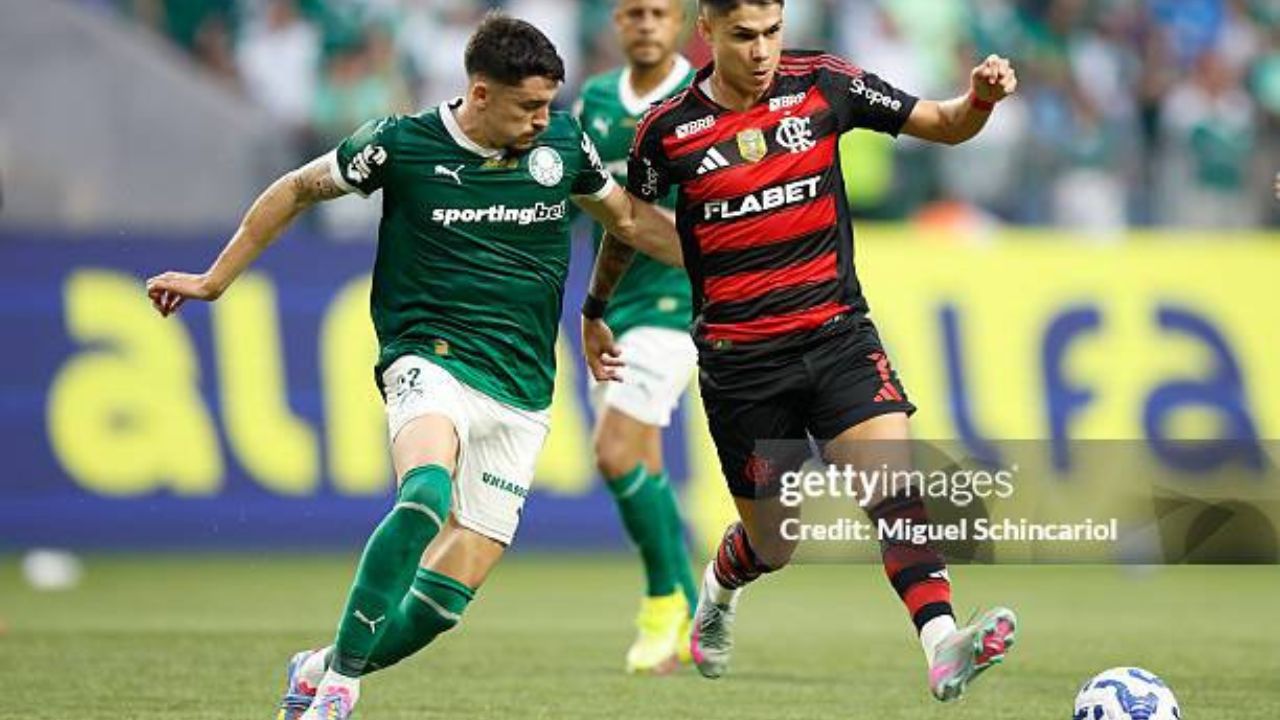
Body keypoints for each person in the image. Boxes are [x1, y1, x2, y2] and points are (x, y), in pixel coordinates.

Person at [146, 14, 679, 720]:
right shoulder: (399, 144)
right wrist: (215, 279)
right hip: (429, 357)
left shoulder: (563, 143)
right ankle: (339, 693)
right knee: (425, 494)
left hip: (523, 389)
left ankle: (322, 665)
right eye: (529, 106)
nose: (542, 120)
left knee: (441, 609)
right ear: (480, 94)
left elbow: (632, 222)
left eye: (549, 105)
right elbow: (297, 189)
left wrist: (727, 256)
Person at [581, 0, 1019, 702]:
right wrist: (596, 310)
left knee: (892, 491)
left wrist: (981, 99)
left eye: (772, 33)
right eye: (744, 36)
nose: (762, 51)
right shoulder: (667, 131)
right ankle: (720, 589)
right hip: (742, 365)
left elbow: (943, 124)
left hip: (838, 337)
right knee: (774, 545)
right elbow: (629, 225)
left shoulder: (824, 83)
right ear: (708, 32)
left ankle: (942, 643)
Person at [574, 0, 700, 675]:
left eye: (659, 12)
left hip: (679, 305)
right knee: (642, 462)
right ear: (616, 25)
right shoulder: (594, 100)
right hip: (613, 307)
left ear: (679, 23)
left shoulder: (701, 99)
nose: (646, 23)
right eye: (633, 12)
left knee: (614, 450)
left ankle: (660, 606)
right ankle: (691, 611)